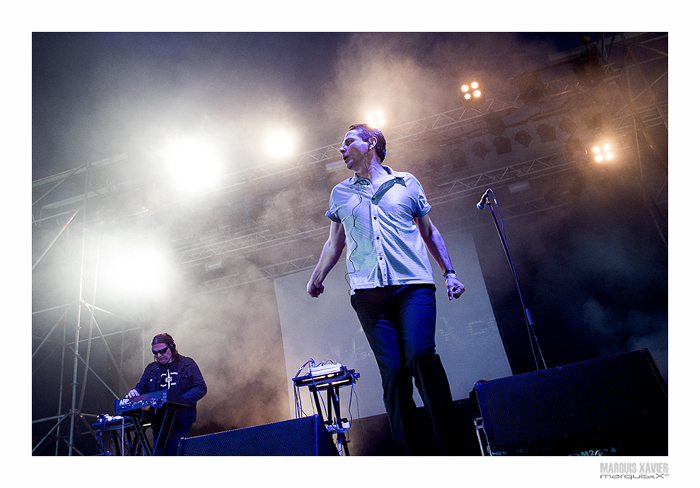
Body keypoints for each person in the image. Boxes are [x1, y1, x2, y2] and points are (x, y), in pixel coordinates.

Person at [307, 124, 466, 455]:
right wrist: (317, 276)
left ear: (371, 144)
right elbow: (334, 242)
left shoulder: (406, 183)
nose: (341, 149)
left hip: (414, 287)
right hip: (368, 295)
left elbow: (429, 231)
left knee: (420, 355)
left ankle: (453, 449)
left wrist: (449, 272)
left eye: (348, 141)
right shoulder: (341, 193)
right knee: (393, 372)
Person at [126, 333, 207, 455]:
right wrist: (134, 393)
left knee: (177, 454)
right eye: (155, 352)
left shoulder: (188, 364)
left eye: (162, 351)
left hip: (181, 421)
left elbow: (201, 387)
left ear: (172, 347)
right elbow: (141, 388)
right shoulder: (151, 369)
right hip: (159, 423)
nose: (159, 356)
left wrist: (180, 401)